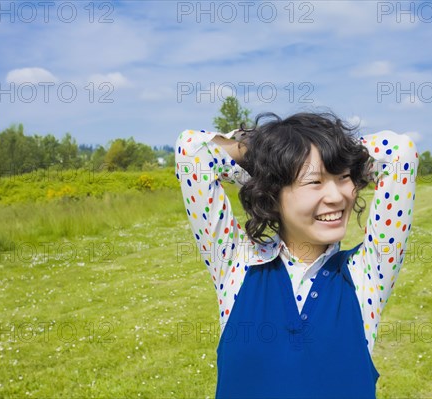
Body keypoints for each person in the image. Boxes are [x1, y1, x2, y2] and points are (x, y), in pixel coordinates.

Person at [175, 112, 418, 399]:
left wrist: (328, 149)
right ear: (273, 193)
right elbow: (191, 151)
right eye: (314, 182)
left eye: (343, 177)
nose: (337, 197)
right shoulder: (235, 264)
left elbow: (400, 154)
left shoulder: (367, 274)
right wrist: (271, 150)